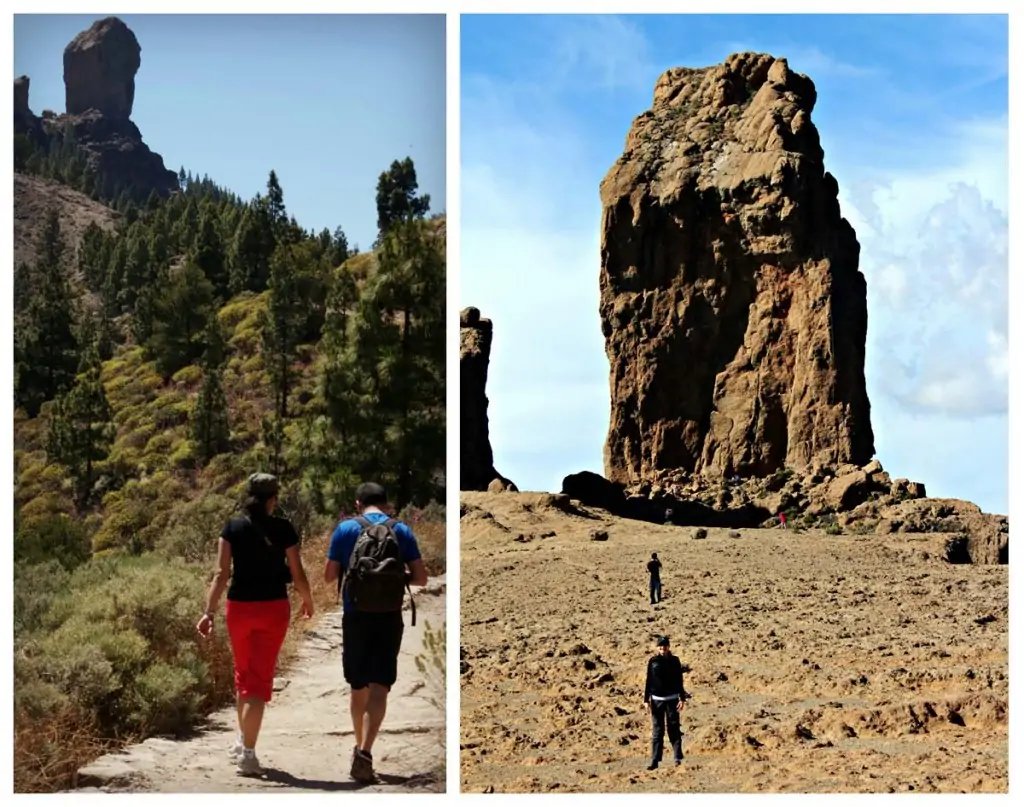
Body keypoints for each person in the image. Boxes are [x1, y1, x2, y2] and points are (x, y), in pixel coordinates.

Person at [196, 472, 314, 776]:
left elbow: (220, 574)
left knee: (243, 675)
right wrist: (308, 599)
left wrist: (208, 611)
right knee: (258, 683)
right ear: (273, 498)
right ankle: (248, 754)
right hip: (274, 607)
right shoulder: (283, 528)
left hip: (239, 608)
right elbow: (297, 572)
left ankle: (241, 740)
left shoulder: (232, 527)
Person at [325, 482, 428, 784]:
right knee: (380, 684)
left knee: (358, 685)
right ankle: (366, 751)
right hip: (388, 616)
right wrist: (394, 577)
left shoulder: (345, 529)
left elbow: (329, 575)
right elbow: (421, 578)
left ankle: (359, 747)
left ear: (358, 503)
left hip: (355, 616)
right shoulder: (403, 531)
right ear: (386, 504)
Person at [643, 635, 687, 770]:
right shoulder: (653, 661)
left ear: (669, 647)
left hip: (672, 699)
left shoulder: (675, 661)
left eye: (665, 646)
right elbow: (649, 680)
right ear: (658, 648)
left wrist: (682, 698)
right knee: (658, 731)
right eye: (660, 646)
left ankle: (677, 758)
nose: (663, 648)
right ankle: (655, 760)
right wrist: (646, 700)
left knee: (673, 728)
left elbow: (680, 680)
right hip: (656, 701)